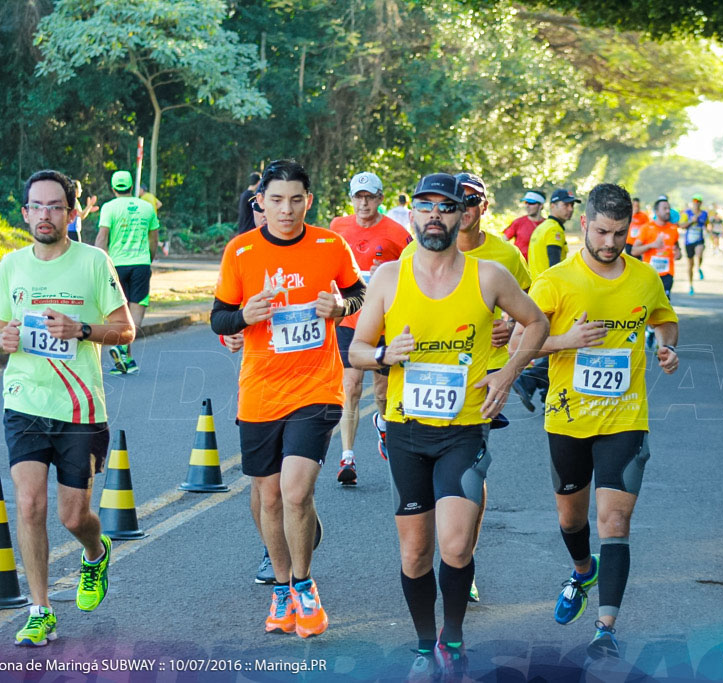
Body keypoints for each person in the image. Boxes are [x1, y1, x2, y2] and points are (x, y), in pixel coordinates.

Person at [349, 172, 549, 680]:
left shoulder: (489, 275)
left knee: (456, 545)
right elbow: (355, 349)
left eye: (446, 206)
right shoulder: (390, 277)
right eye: (425, 206)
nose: (435, 215)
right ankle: (423, 644)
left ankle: (452, 638)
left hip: (464, 430)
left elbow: (539, 322)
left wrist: (507, 373)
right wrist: (382, 355)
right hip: (407, 430)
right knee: (416, 552)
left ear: (464, 215)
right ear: (411, 214)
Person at [210, 159, 366, 638]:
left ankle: (303, 585)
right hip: (260, 391)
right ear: (261, 202)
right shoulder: (241, 252)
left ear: (308, 201)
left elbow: (359, 292)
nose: (286, 209)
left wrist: (341, 306)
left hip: (316, 387)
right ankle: (280, 588)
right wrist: (242, 319)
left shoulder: (329, 244)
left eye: (295, 199)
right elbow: (219, 318)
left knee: (296, 491)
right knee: (267, 497)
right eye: (276, 200)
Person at [529, 182, 679, 659]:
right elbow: (519, 344)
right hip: (568, 420)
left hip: (625, 419)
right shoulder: (555, 281)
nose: (610, 243)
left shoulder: (644, 278)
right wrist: (565, 340)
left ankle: (605, 628)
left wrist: (667, 344)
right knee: (571, 519)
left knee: (614, 520)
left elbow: (663, 318)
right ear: (583, 224)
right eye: (601, 231)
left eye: (619, 233)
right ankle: (581, 571)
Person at [0, 169, 136, 647]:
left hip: (81, 408)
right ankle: (39, 609)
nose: (45, 215)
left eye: (56, 206)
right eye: (37, 206)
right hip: (25, 400)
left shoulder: (94, 263)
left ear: (72, 213)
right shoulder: (11, 265)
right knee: (29, 504)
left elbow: (126, 329)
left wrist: (82, 331)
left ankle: (95, 553)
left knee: (74, 517)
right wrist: (2, 338)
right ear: (26, 212)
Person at [400, 171, 532, 604]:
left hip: (482, 379)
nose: (467, 208)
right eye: (463, 200)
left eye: (473, 201)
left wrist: (508, 341)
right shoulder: (416, 252)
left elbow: (531, 309)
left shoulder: (505, 257)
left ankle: (462, 556)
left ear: (480, 208)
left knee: (472, 468)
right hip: (422, 382)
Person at [329, 172, 412, 485]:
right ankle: (347, 457)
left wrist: (387, 272)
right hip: (350, 319)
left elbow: (415, 268)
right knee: (349, 386)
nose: (363, 203)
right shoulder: (338, 227)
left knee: (381, 391)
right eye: (358, 197)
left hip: (383, 322)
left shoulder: (396, 233)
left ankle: (384, 423)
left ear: (380, 199)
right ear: (351, 199)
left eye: (370, 197)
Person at [95, 170, 159, 375]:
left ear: (113, 188)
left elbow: (102, 237)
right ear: (132, 187)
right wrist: (148, 258)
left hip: (116, 265)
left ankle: (126, 359)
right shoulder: (147, 207)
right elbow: (154, 239)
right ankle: (123, 350)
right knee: (136, 310)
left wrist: (100, 262)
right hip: (140, 263)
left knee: (119, 313)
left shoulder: (109, 208)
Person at [632, 197, 680, 350]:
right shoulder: (646, 228)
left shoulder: (673, 229)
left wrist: (678, 253)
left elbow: (677, 249)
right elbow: (634, 251)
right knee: (647, 306)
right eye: (664, 208)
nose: (667, 211)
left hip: (667, 274)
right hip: (650, 274)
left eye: (668, 208)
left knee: (663, 307)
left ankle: (660, 339)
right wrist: (653, 245)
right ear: (656, 211)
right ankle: (649, 330)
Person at [528, 189, 578, 277]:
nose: (571, 209)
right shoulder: (554, 229)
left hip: (537, 285)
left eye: (572, 205)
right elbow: (555, 265)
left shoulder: (542, 226)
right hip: (549, 287)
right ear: (553, 206)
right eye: (566, 205)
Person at [503, 190, 546, 260]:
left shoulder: (547, 225)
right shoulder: (518, 222)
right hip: (520, 267)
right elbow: (502, 241)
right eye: (526, 203)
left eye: (531, 203)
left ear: (541, 206)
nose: (527, 206)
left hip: (539, 268)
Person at [679, 194, 708, 295]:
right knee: (690, 264)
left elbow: (706, 225)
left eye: (698, 201)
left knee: (699, 253)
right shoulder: (687, 213)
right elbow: (681, 225)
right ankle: (691, 285)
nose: (696, 203)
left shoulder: (704, 213)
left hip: (699, 239)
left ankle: (699, 267)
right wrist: (691, 221)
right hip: (689, 241)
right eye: (695, 201)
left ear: (701, 203)